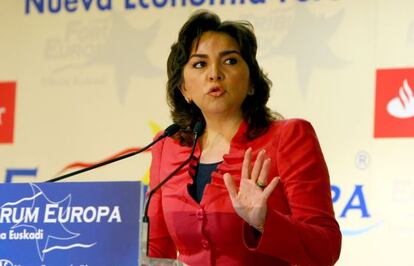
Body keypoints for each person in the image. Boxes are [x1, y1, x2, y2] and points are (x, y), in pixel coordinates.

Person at [148, 10, 342, 266]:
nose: (214, 73)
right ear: (185, 89)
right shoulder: (167, 145)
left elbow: (325, 249)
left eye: (229, 61)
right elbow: (155, 251)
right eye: (199, 64)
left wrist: (265, 222)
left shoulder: (289, 137)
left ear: (252, 81)